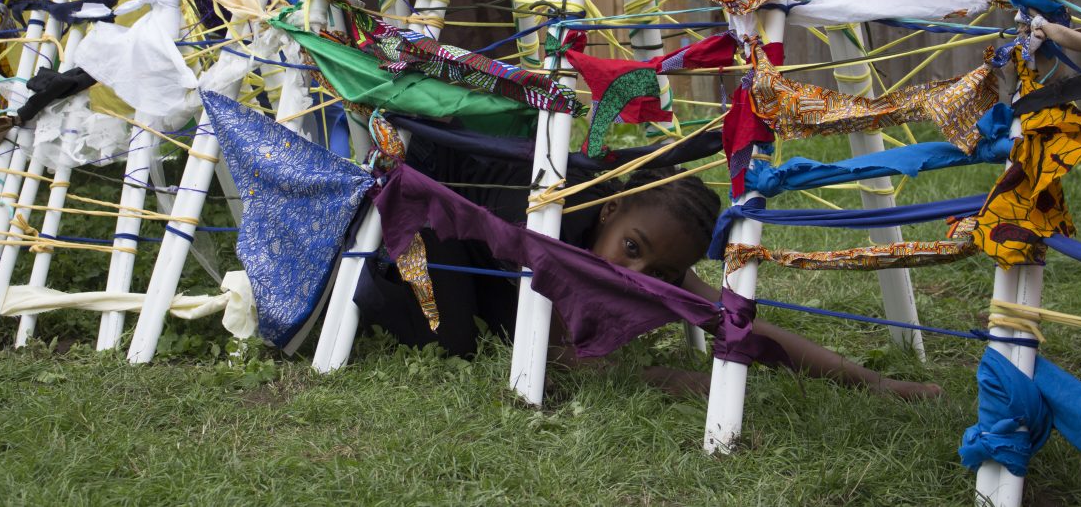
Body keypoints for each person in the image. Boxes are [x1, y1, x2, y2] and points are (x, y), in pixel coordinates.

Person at [356, 136, 941, 400]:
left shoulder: (645, 255)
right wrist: (672, 381)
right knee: (454, 340)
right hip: (429, 214)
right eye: (632, 250)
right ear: (608, 211)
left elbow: (732, 319)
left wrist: (875, 382)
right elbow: (560, 369)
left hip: (497, 243)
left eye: (663, 274)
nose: (640, 275)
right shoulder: (553, 228)